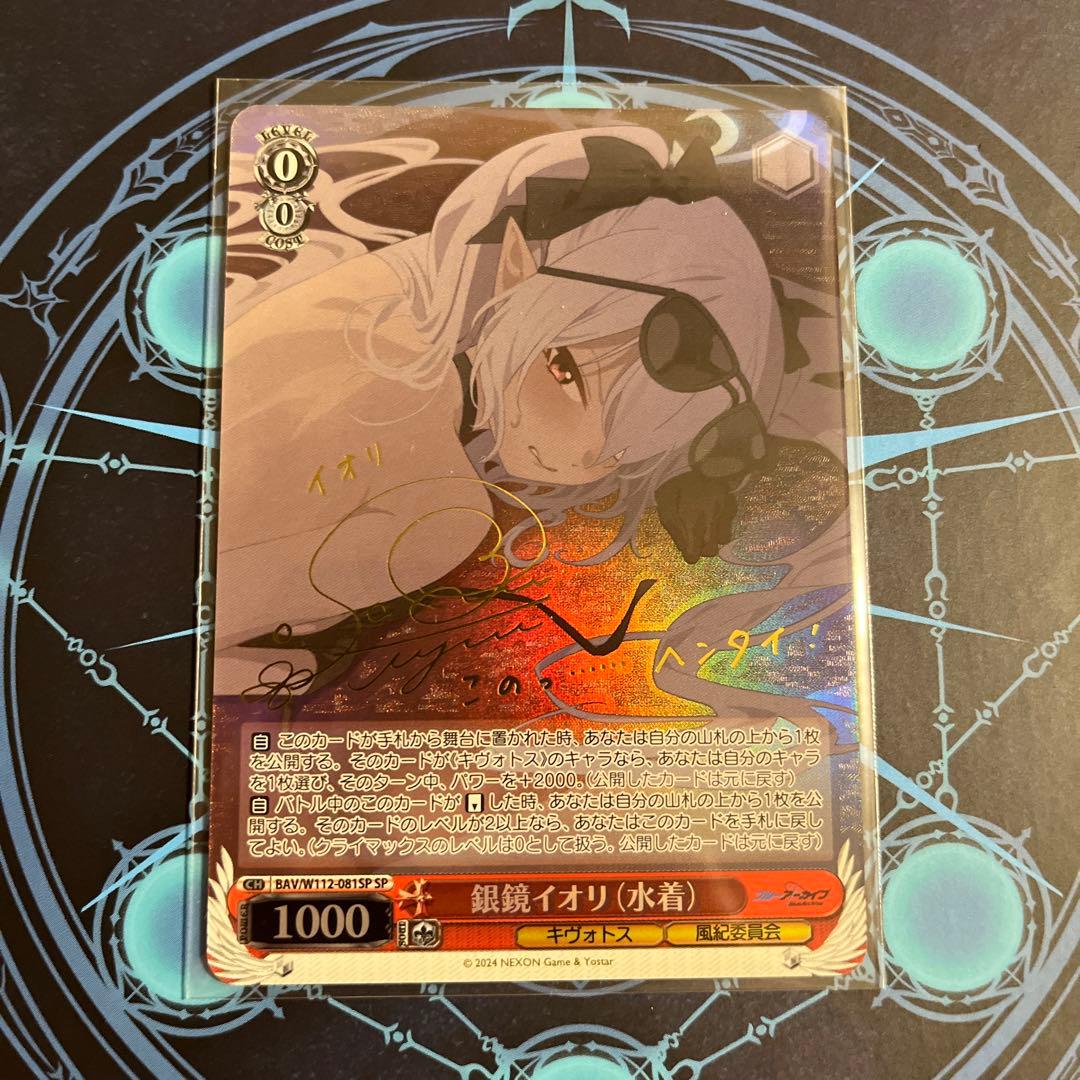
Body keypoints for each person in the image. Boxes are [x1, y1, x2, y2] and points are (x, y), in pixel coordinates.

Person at [214, 120, 852, 721]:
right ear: (517, 262)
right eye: (566, 373)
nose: (584, 456)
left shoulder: (394, 292)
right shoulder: (429, 491)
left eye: (627, 448)